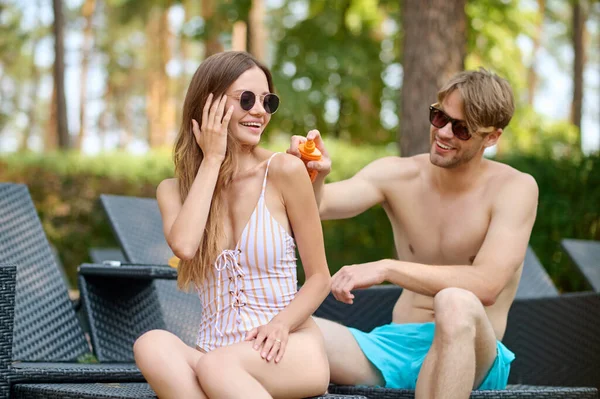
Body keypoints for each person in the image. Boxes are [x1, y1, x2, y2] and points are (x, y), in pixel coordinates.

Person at [288, 68, 539, 399]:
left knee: (454, 301)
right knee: (280, 332)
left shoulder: (514, 188)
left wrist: (387, 268)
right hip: (391, 348)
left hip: (474, 357)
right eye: (439, 118)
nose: (444, 133)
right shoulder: (398, 174)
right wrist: (314, 174)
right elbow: (319, 207)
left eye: (462, 129)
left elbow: (487, 285)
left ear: (491, 137)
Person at [134, 51, 331, 399]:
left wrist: (281, 325)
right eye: (246, 99)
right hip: (213, 351)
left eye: (268, 101)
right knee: (151, 345)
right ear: (207, 106)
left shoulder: (284, 171)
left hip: (286, 348)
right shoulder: (173, 191)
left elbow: (319, 278)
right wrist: (212, 159)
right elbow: (185, 247)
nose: (259, 111)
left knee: (217, 368)